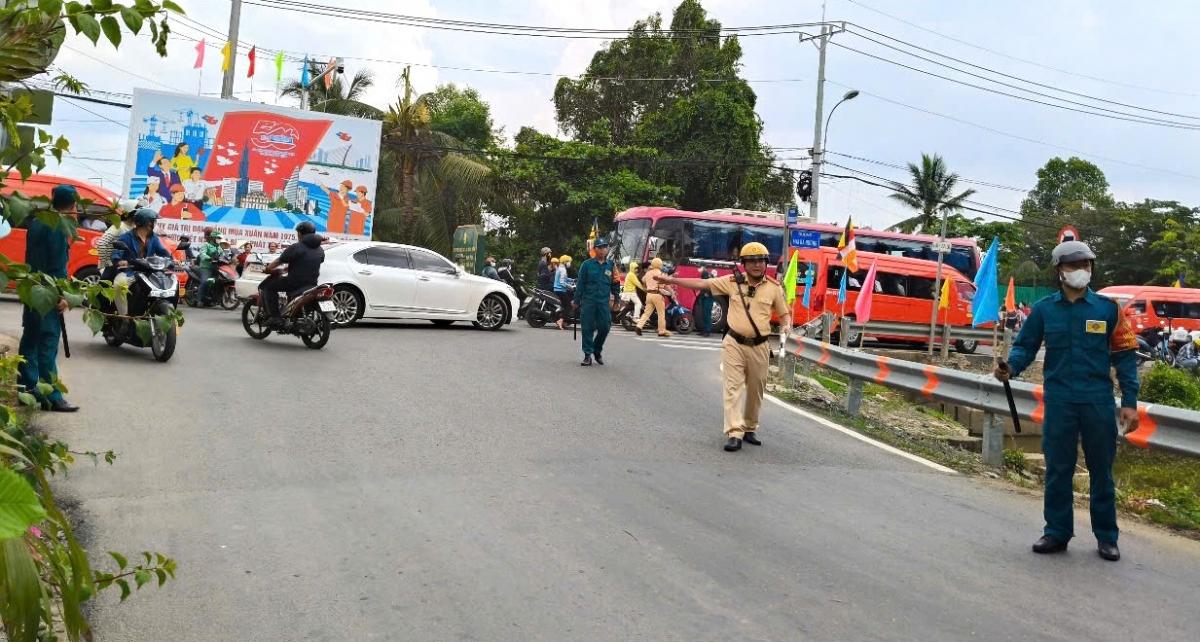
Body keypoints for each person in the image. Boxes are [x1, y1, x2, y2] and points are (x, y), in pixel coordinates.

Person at [994, 240, 1139, 562]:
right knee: (1058, 469)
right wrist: (1010, 368)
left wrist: (1130, 401)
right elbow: (1025, 348)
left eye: (1087, 265)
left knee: (1102, 470)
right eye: (1075, 265)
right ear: (1060, 270)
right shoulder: (1045, 309)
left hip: (1098, 401)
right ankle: (1057, 532)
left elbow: (1125, 358)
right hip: (1059, 401)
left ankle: (1107, 537)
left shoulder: (1108, 308)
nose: (1082, 271)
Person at [661, 242, 791, 451]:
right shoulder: (731, 282)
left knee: (756, 389)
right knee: (732, 387)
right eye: (752, 261)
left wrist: (786, 326)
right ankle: (734, 432)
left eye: (761, 261)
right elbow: (700, 284)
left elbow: (784, 314)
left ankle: (749, 427)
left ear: (766, 263)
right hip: (734, 343)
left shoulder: (774, 288)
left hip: (760, 345)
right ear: (744, 264)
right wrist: (671, 280)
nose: (757, 265)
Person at [18, 185, 80, 413]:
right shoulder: (58, 227)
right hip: (48, 292)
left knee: (30, 338)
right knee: (48, 342)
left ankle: (26, 387)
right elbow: (57, 266)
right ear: (73, 205)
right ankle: (52, 396)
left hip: (31, 287)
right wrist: (63, 295)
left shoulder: (38, 221)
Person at [261, 221, 325, 326]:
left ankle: (276, 318)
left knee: (269, 287)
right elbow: (312, 261)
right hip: (312, 284)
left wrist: (268, 269)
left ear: (300, 233)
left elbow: (279, 261)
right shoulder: (320, 249)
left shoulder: (297, 247)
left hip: (294, 282)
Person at [112, 209, 173, 317]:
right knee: (119, 285)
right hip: (131, 272)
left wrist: (172, 259)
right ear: (147, 222)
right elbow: (116, 253)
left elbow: (162, 251)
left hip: (148, 273)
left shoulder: (153, 238)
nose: (155, 223)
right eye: (154, 221)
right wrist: (119, 261)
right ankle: (124, 318)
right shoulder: (127, 237)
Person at [572, 238, 620, 366]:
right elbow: (580, 284)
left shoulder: (611, 265)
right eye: (600, 247)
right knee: (587, 328)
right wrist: (576, 301)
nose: (603, 249)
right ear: (595, 249)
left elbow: (615, 283)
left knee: (605, 327)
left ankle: (597, 350)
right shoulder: (587, 265)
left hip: (603, 302)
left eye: (605, 247)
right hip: (588, 301)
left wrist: (616, 300)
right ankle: (587, 355)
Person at [97, 201, 139, 280]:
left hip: (126, 268)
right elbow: (102, 243)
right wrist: (108, 263)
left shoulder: (134, 228)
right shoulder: (119, 226)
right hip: (113, 268)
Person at [634, 257, 671, 337]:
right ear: (660, 264)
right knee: (661, 314)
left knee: (647, 313)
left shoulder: (648, 273)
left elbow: (643, 280)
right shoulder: (661, 274)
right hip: (657, 295)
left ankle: (639, 326)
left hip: (649, 295)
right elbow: (665, 285)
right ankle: (661, 331)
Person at [196, 231, 225, 307]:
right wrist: (209, 258)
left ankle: (212, 299)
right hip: (206, 267)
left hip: (215, 268)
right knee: (205, 282)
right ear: (213, 238)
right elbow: (202, 254)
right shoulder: (206, 245)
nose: (219, 239)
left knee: (219, 282)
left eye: (220, 238)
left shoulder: (218, 247)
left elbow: (223, 255)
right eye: (218, 238)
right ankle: (199, 300)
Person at [553, 254, 575, 330]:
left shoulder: (560, 268)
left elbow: (565, 278)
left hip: (558, 289)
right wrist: (570, 286)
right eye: (568, 262)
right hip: (560, 290)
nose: (569, 263)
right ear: (565, 262)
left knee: (568, 302)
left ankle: (565, 319)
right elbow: (562, 282)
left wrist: (572, 280)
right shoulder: (563, 269)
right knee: (568, 306)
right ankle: (561, 320)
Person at [695, 266, 714, 337]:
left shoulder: (709, 275)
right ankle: (704, 330)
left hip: (708, 297)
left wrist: (708, 293)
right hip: (704, 297)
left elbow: (712, 285)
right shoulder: (704, 275)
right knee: (703, 314)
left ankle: (707, 331)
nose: (699, 268)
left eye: (700, 267)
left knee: (707, 314)